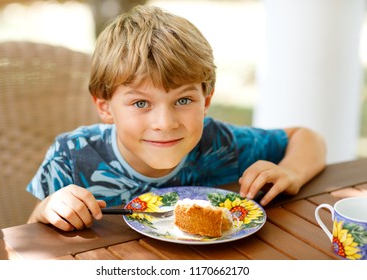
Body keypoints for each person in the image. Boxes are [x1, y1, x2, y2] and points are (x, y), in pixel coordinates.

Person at [27, 5, 326, 231]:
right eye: (141, 102)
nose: (165, 122)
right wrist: (45, 210)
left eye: (183, 100)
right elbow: (29, 241)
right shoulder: (71, 156)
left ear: (206, 101)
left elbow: (307, 138)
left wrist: (290, 173)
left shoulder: (220, 143)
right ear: (105, 107)